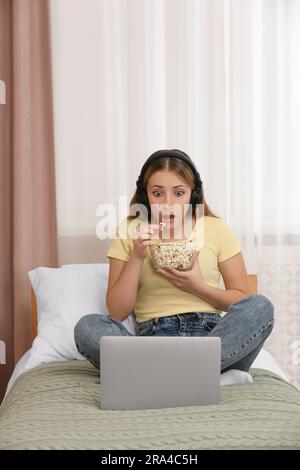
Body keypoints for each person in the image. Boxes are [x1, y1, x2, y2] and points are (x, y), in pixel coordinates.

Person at [74, 149, 274, 372]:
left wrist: (198, 287)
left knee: (260, 306)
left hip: (213, 342)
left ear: (193, 194)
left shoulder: (216, 229)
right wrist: (137, 256)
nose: (168, 203)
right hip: (154, 341)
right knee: (87, 326)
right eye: (158, 194)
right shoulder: (130, 230)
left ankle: (165, 374)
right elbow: (117, 311)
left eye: (178, 193)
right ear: (145, 195)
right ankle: (191, 374)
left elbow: (242, 301)